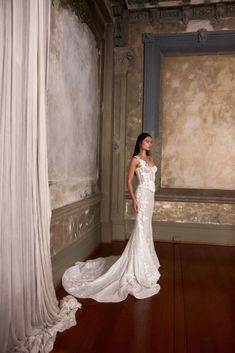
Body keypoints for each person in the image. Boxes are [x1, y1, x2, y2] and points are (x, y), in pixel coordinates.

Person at [62, 132, 160, 302]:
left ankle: (147, 263)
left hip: (150, 197)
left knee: (147, 228)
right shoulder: (135, 159)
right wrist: (134, 200)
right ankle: (137, 266)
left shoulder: (152, 160)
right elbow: (129, 181)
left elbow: (152, 179)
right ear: (140, 143)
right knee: (141, 228)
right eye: (147, 141)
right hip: (142, 196)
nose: (150, 144)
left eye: (151, 141)